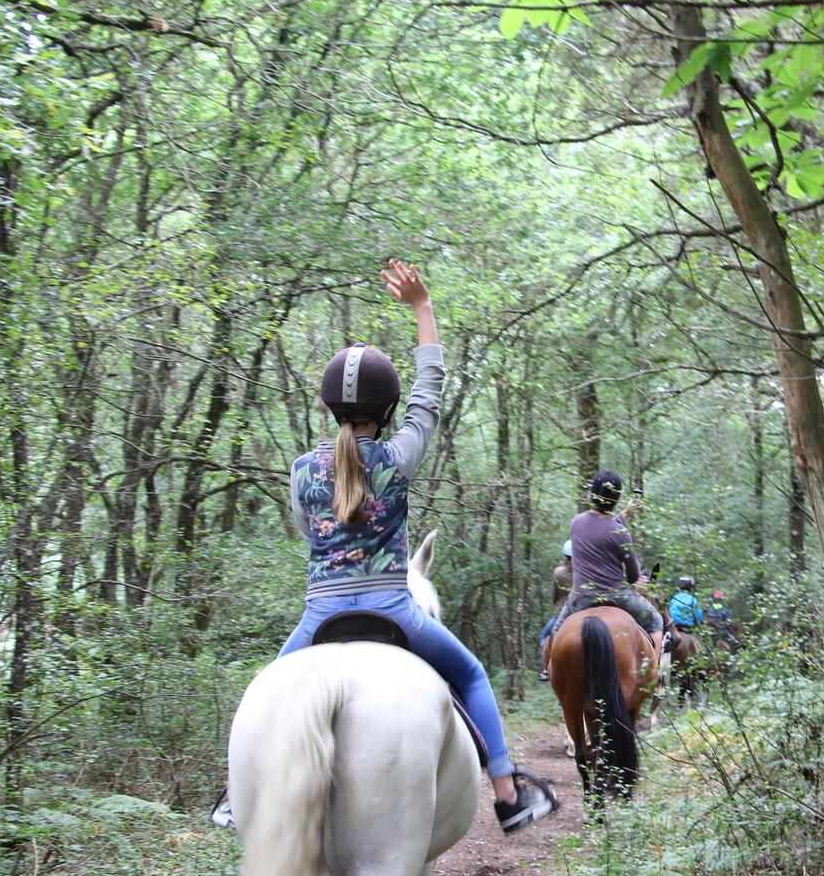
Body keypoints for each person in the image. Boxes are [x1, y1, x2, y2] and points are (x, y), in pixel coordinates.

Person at [216, 260, 557, 835]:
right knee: (471, 674)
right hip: (394, 611)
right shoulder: (398, 459)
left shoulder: (303, 471)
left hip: (320, 615)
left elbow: (309, 534)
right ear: (388, 411)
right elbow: (431, 391)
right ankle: (506, 793)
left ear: (329, 409)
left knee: (265, 697)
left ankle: (236, 795)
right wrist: (422, 308)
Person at [542, 470, 665, 661]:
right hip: (618, 597)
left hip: (581, 598)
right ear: (616, 498)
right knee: (656, 621)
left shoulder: (576, 523)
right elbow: (633, 575)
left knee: (555, 636)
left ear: (593, 494)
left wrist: (625, 514)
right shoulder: (619, 531)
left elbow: (597, 527)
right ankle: (654, 676)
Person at [537, 541, 574, 681]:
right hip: (585, 606)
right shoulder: (587, 570)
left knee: (544, 635)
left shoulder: (559, 572)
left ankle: (545, 668)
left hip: (563, 611)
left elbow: (555, 595)